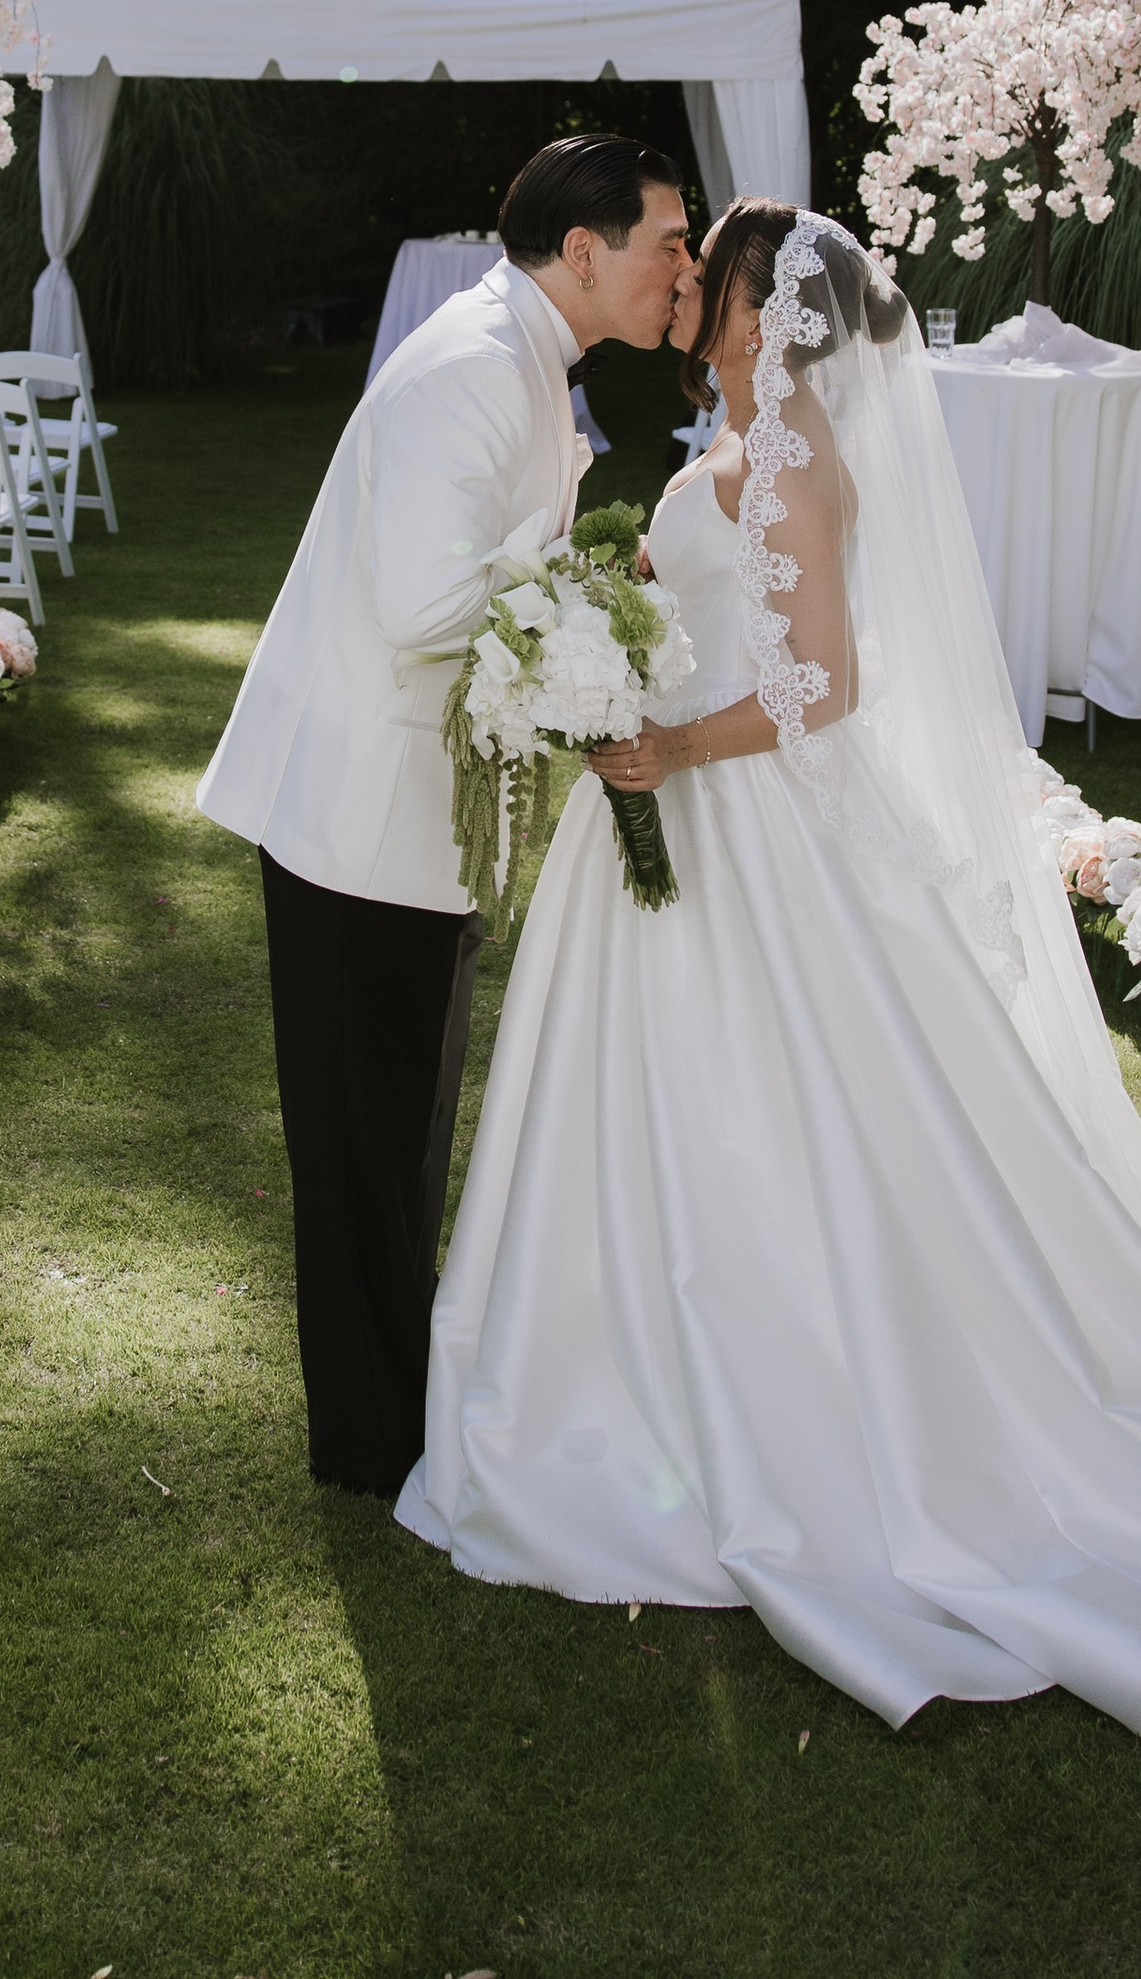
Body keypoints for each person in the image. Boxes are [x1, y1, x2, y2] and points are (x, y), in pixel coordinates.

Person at [398, 202, 1141, 1742]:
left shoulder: (798, 449)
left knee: (796, 1113)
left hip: (749, 823)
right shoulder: (743, 428)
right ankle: (621, 1375)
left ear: (768, 310)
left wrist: (669, 739)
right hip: (680, 816)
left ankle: (794, 1397)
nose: (689, 286)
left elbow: (824, 682)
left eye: (716, 273)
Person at [195, 134, 692, 1494]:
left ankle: (395, 1413)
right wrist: (594, 613)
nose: (684, 270)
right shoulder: (477, 368)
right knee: (365, 1142)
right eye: (668, 242)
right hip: (363, 817)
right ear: (581, 252)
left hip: (417, 818)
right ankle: (371, 1445)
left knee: (400, 1128)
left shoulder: (524, 356)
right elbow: (426, 608)